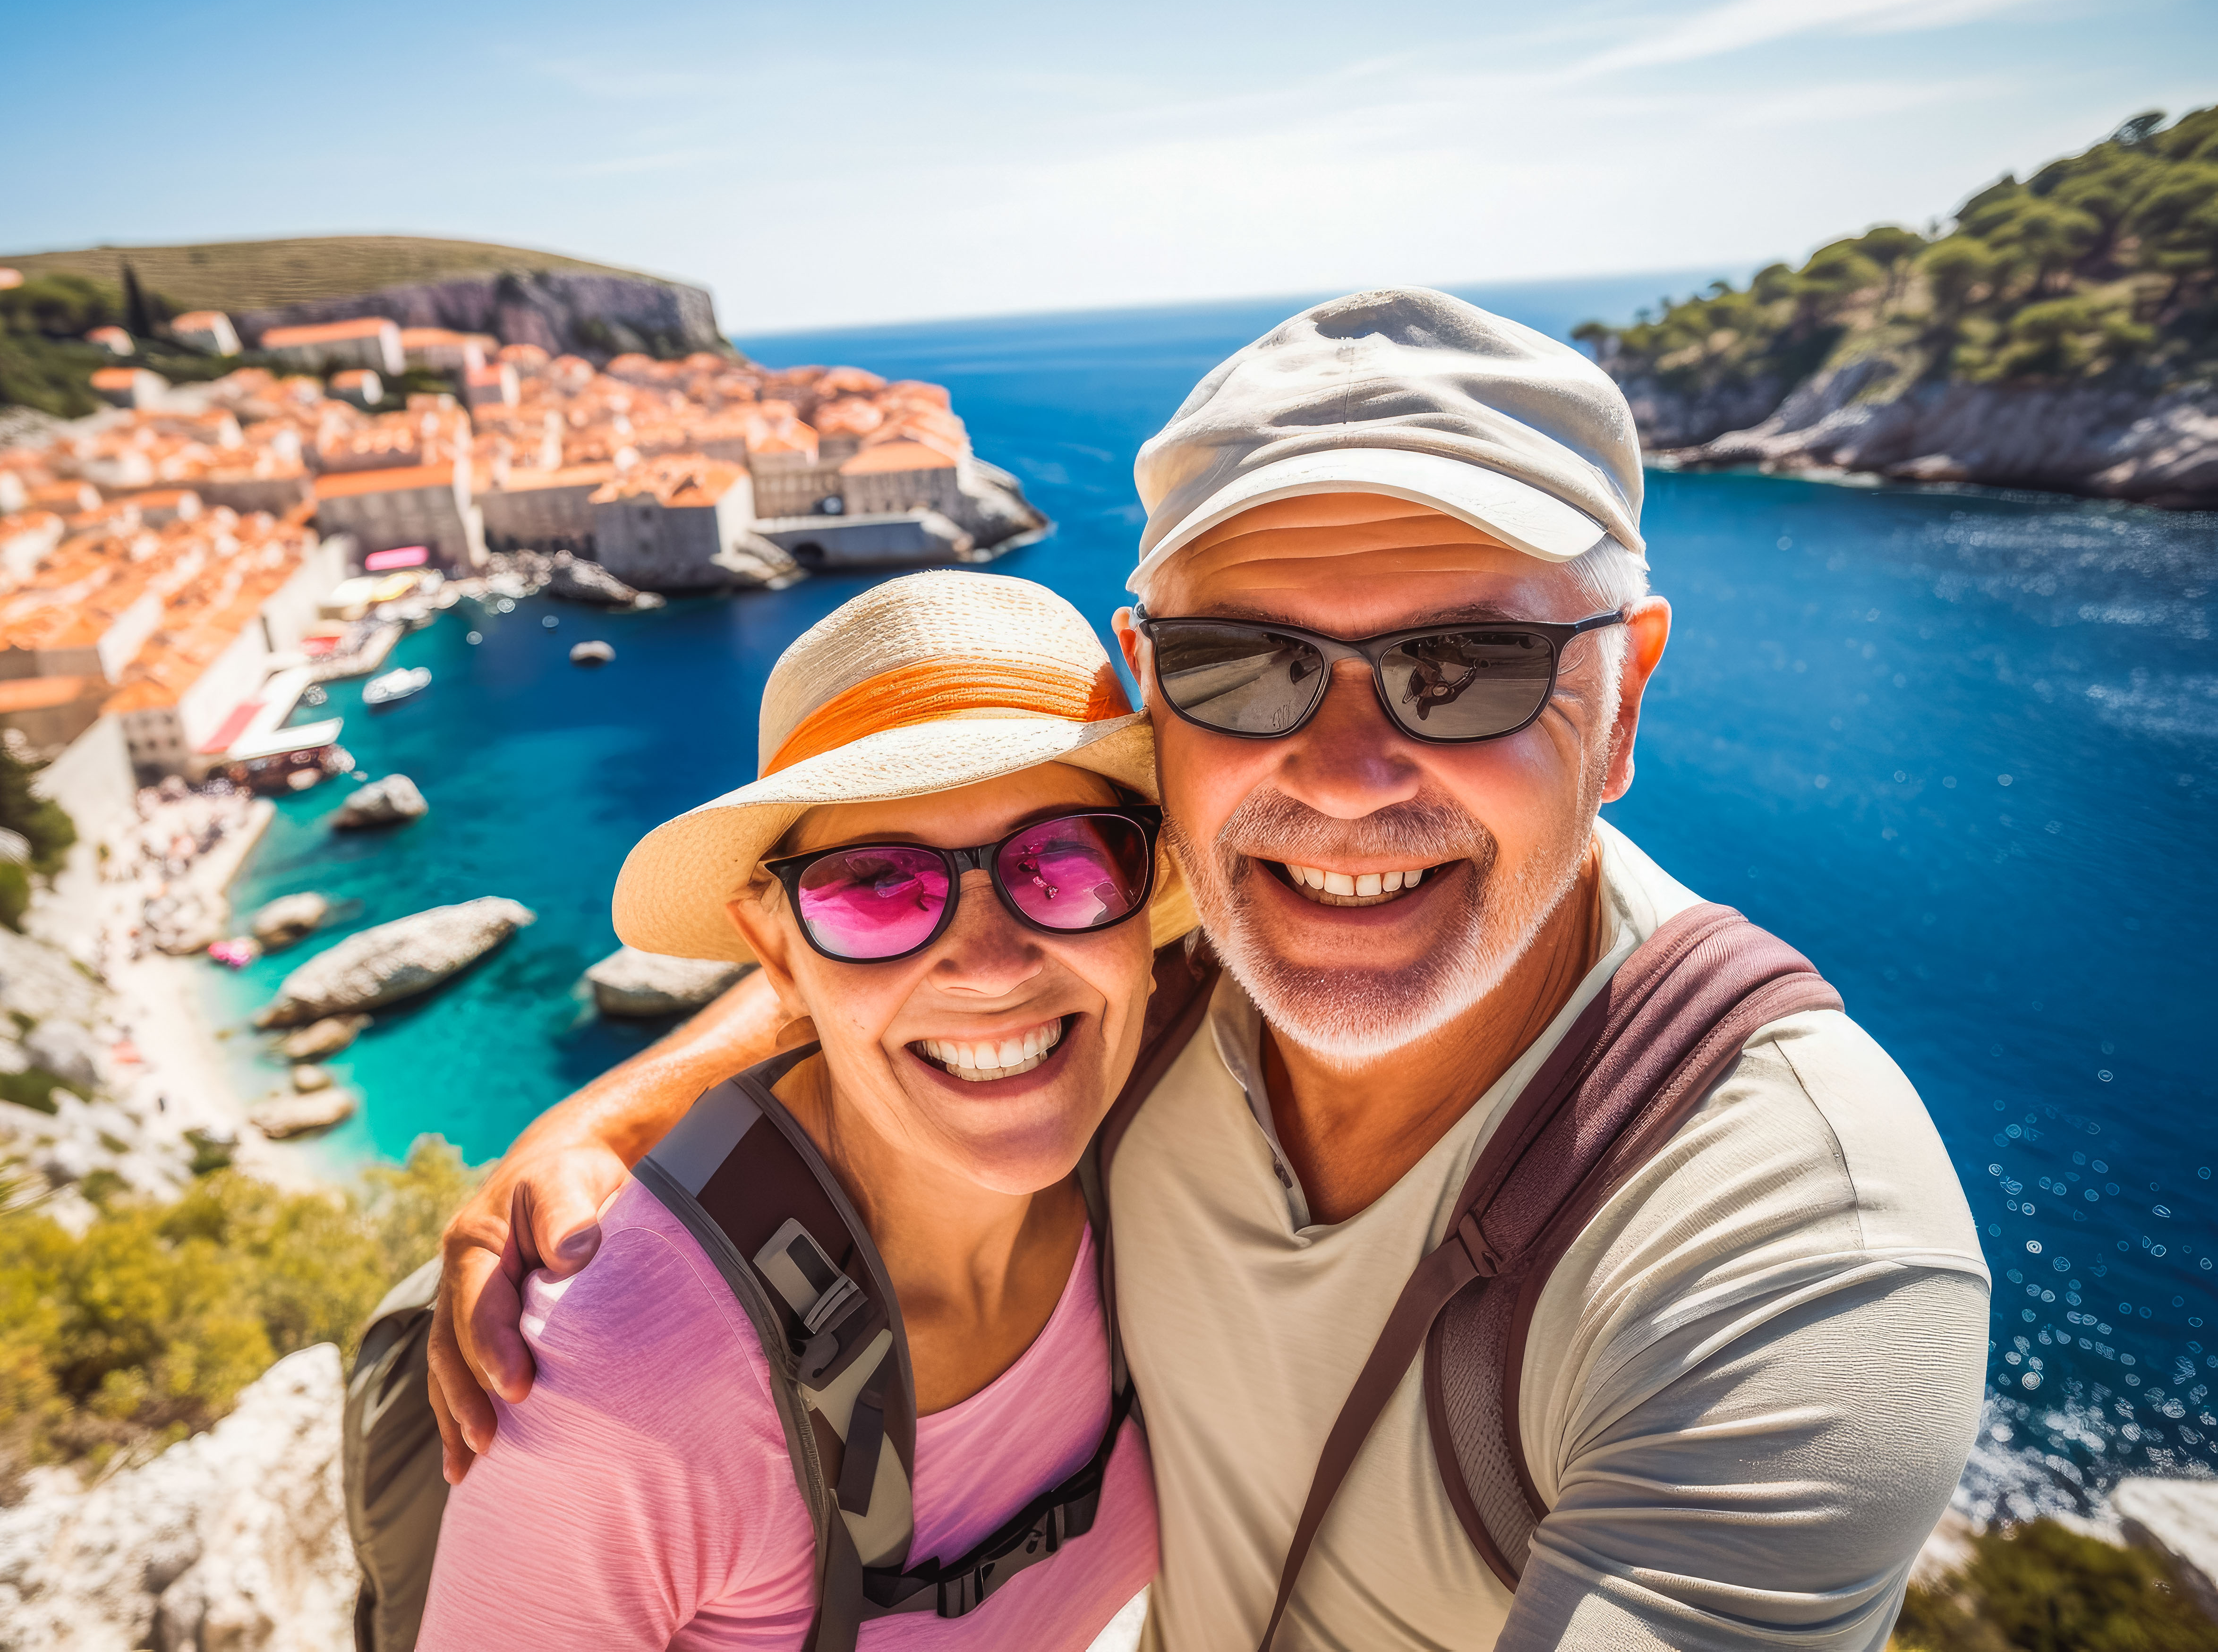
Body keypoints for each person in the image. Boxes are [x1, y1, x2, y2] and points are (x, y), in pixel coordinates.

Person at [424, 290, 1991, 1650]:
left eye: (1466, 666)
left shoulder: (1790, 1255)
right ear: (1162, 719)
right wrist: (601, 1132)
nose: (1347, 773)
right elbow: (933, 948)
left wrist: (611, 1118)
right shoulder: (1198, 947)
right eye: (1248, 664)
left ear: (1623, 694)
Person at [414, 573, 1182, 1649]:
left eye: (1062, 860)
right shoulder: (624, 1392)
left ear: (1148, 891)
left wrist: (604, 1111)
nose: (993, 965)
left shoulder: (1175, 1093)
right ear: (776, 948)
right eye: (877, 887)